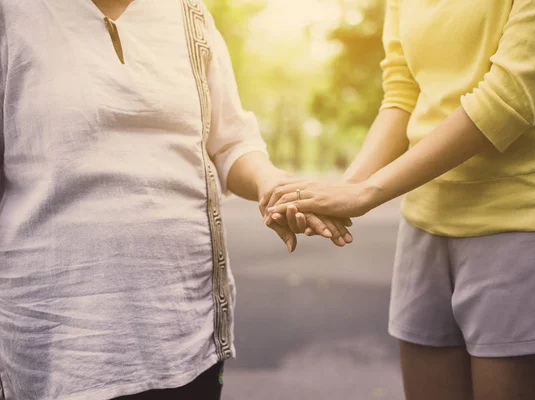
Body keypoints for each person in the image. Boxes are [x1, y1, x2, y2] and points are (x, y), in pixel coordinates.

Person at [0, 1, 351, 399]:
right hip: (60, 346)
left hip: (185, 333)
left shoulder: (190, 14)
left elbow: (231, 141)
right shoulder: (13, 16)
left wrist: (273, 186)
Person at [263, 0, 535, 399]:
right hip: (426, 224)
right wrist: (334, 194)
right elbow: (402, 96)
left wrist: (365, 192)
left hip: (525, 218)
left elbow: (511, 97)